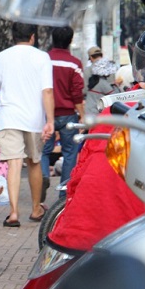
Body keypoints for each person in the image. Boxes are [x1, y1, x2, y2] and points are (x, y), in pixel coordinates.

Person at [0, 22, 55, 227]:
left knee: (14, 164)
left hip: (8, 118)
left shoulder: (2, 57)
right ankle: (35, 209)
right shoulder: (42, 57)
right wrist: (50, 121)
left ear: (12, 36)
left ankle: (14, 213)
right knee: (34, 162)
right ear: (32, 36)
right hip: (34, 119)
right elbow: (47, 91)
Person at [41, 26, 85, 199]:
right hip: (68, 114)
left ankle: (43, 177)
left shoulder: (43, 60)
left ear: (52, 39)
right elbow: (76, 92)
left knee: (43, 152)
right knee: (69, 153)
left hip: (45, 114)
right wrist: (82, 114)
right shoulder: (74, 63)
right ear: (70, 40)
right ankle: (63, 195)